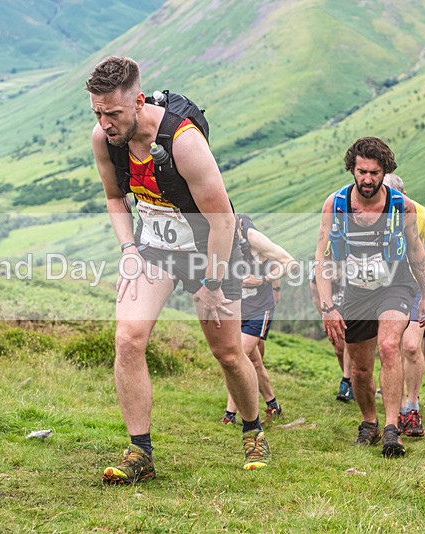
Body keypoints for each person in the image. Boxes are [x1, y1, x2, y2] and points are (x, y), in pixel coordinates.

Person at [87, 56, 270, 483]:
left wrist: (210, 283)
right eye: (98, 112)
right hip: (154, 247)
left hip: (211, 247)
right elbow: (117, 199)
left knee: (227, 352)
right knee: (128, 339)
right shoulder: (104, 139)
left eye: (113, 113)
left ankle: (253, 429)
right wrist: (129, 249)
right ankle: (140, 453)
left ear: (139, 100)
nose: (106, 123)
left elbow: (223, 220)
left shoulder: (183, 142)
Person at [315, 137, 425, 458]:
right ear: (352, 169)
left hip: (395, 285)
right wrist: (328, 306)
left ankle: (392, 429)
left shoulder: (402, 206)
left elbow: (416, 251)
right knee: (361, 370)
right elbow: (322, 258)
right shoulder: (335, 205)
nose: (367, 179)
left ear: (385, 172)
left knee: (389, 346)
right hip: (354, 291)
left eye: (375, 173)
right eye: (362, 171)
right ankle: (369, 422)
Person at [382, 174, 425, 438]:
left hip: (414, 287)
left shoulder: (418, 213)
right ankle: (398, 408)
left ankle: (411, 406)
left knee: (411, 346)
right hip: (385, 289)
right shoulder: (372, 213)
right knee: (392, 348)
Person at [220, 214, 295, 424]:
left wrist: (263, 280)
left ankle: (230, 415)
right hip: (237, 309)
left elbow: (290, 263)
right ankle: (273, 405)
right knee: (254, 361)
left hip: (259, 310)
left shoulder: (252, 237)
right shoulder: (219, 236)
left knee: (236, 359)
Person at [310, 258, 354, 402]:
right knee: (339, 350)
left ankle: (346, 382)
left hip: (352, 309)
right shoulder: (317, 271)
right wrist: (325, 316)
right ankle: (351, 383)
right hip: (332, 311)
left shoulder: (350, 262)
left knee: (350, 345)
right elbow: (316, 298)